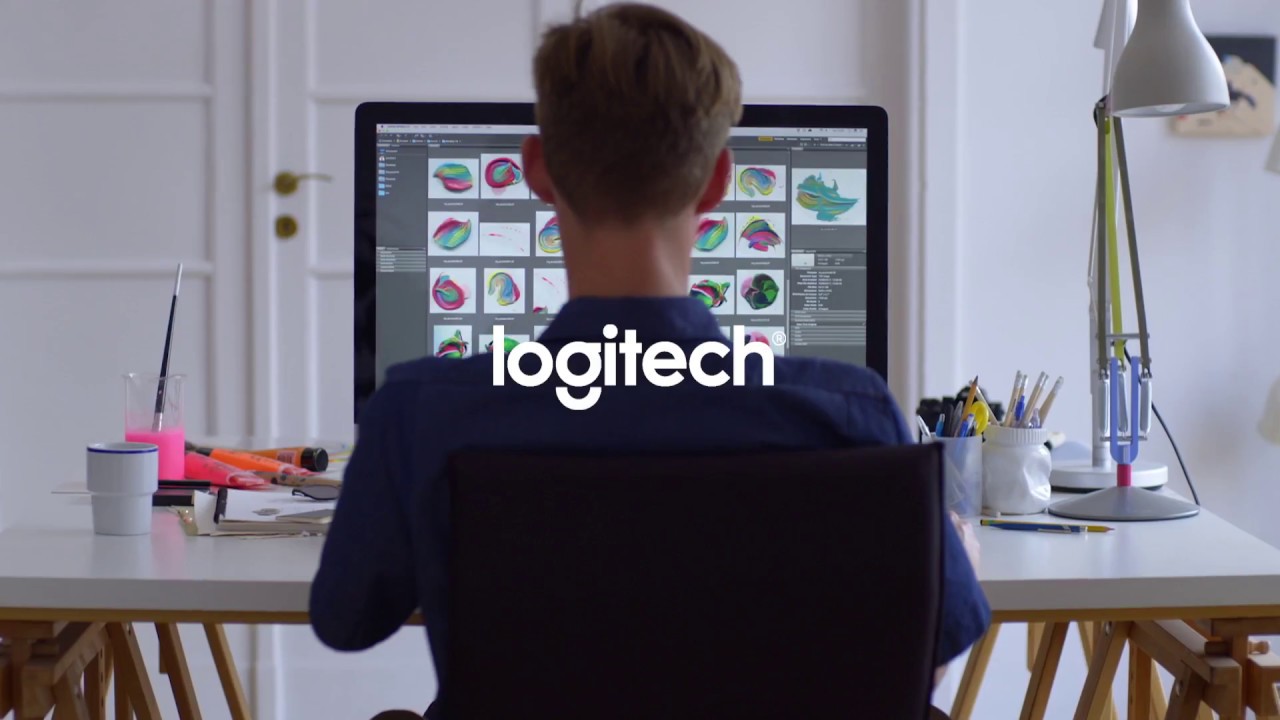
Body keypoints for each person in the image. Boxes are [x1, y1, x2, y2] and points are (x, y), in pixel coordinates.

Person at [312, 3, 989, 717]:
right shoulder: (853, 414)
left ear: (536, 171)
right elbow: (920, 661)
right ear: (719, 183)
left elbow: (347, 620)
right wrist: (954, 560)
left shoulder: (422, 414)